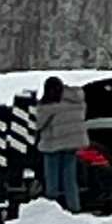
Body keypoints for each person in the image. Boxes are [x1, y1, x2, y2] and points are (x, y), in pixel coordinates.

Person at [38, 73, 89, 208]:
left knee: (52, 182)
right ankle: (74, 207)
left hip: (52, 144)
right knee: (70, 180)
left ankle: (52, 211)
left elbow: (38, 124)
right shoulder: (76, 102)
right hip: (72, 144)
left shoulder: (48, 106)